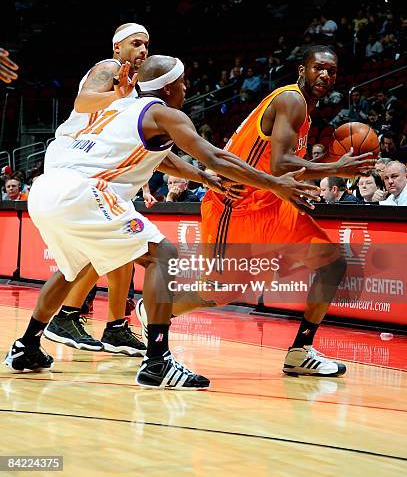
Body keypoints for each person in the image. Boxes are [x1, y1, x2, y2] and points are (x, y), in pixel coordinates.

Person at [4, 54, 318, 390]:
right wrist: (274, 183)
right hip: (84, 191)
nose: (185, 88)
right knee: (163, 254)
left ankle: (26, 346)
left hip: (44, 190)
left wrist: (203, 179)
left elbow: (161, 157)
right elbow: (216, 156)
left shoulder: (121, 107)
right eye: (182, 83)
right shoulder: (162, 113)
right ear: (169, 87)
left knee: (74, 268)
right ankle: (158, 362)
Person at [136, 46, 376, 378]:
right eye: (318, 68)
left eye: (331, 71)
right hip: (235, 205)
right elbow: (280, 164)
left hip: (272, 202)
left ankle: (299, 352)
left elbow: (278, 168)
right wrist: (337, 167)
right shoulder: (290, 100)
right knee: (219, 293)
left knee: (332, 263)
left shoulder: (305, 108)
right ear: (300, 70)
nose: (325, 75)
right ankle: (157, 309)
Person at [42, 23, 155, 355]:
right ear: (117, 47)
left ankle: (116, 325)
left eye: (147, 45)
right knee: (111, 242)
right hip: (74, 159)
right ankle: (67, 316)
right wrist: (116, 95)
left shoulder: (135, 91)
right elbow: (83, 101)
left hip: (103, 169)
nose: (144, 50)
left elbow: (131, 143)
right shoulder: (108, 69)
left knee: (123, 244)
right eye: (136, 43)